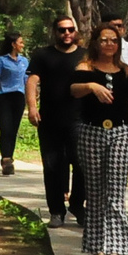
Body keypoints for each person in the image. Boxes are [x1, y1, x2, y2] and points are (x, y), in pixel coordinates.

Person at [71, 24, 128, 255]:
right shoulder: (85, 68)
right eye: (104, 40)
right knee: (95, 190)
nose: (109, 44)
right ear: (95, 42)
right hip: (91, 131)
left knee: (115, 190)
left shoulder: (126, 71)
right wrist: (92, 86)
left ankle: (115, 248)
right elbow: (74, 90)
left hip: (121, 132)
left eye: (114, 40)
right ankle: (96, 246)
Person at [26, 15, 87, 227]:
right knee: (53, 166)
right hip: (50, 120)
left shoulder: (85, 55)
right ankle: (56, 211)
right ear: (55, 32)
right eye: (62, 30)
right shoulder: (43, 55)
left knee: (82, 165)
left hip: (79, 120)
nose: (67, 33)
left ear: (76, 31)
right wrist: (32, 107)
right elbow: (33, 80)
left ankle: (78, 205)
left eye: (70, 29)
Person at [0, 30, 29, 175]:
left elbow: (27, 81)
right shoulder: (1, 60)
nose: (23, 45)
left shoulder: (24, 61)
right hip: (3, 97)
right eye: (20, 42)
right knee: (6, 128)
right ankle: (6, 159)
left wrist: (31, 100)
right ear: (13, 44)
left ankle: (10, 157)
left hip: (18, 97)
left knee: (14, 130)